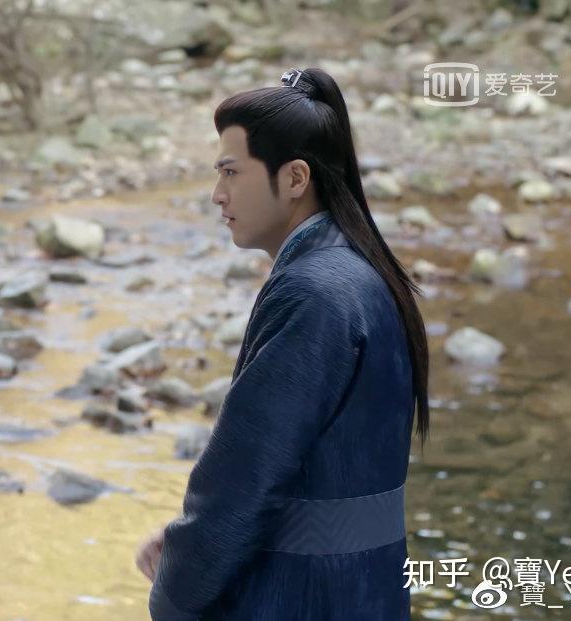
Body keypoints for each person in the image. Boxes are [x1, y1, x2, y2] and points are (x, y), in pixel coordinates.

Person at [136, 68, 430, 620]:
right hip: (365, 590)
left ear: (295, 178)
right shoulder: (363, 272)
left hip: (301, 598)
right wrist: (185, 544)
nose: (217, 194)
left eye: (230, 172)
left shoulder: (312, 292)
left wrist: (175, 590)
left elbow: (244, 479)